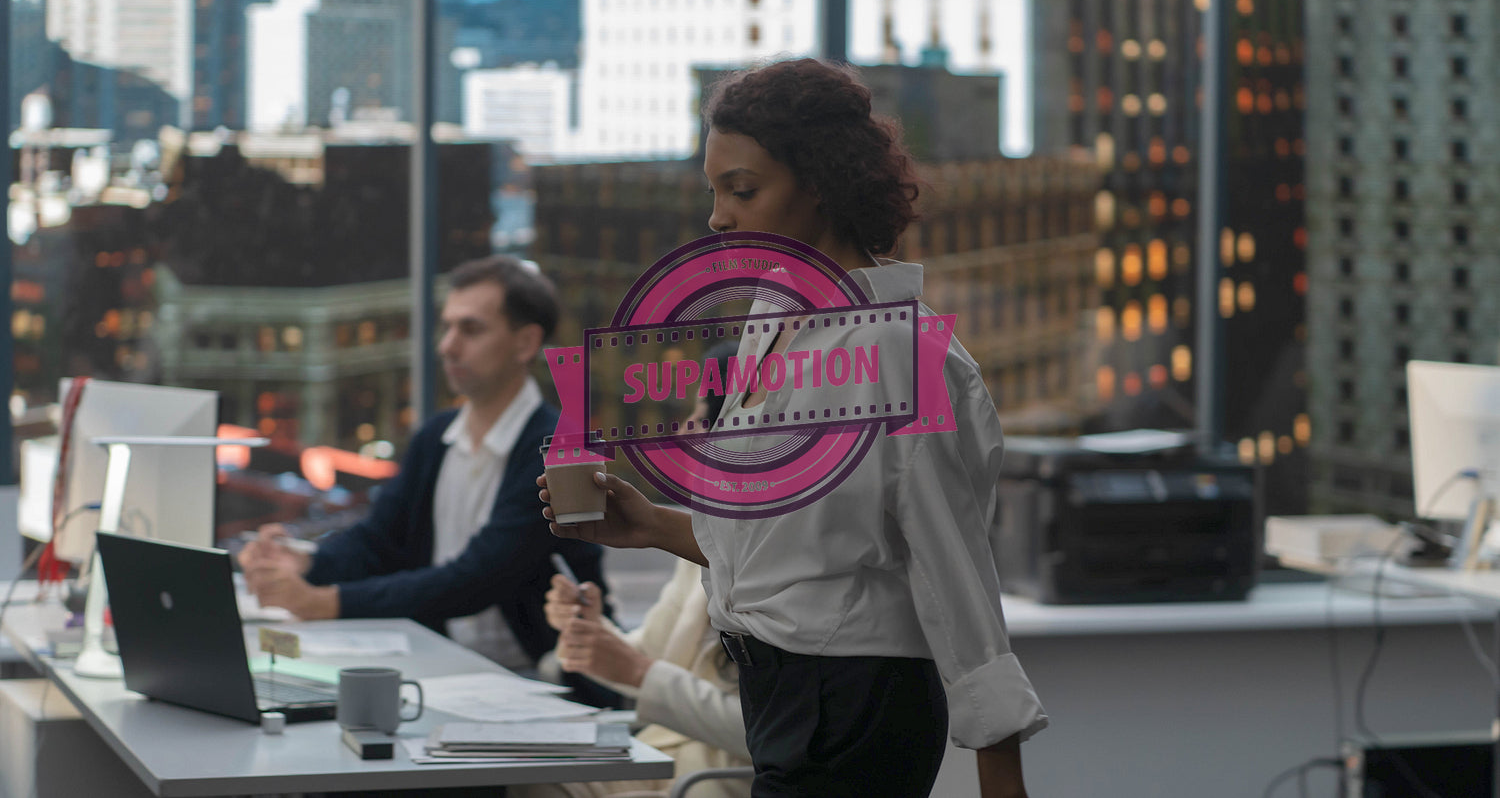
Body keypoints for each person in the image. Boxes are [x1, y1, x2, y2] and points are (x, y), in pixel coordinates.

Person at [540, 58, 1046, 798]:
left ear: (821, 182)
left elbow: (956, 574)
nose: (718, 216)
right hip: (776, 695)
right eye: (713, 190)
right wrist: (652, 525)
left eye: (741, 189)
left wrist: (1002, 780)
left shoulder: (900, 354)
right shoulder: (772, 318)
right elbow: (779, 545)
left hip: (854, 706)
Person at [239, 255, 611, 676]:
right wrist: (304, 561)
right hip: (440, 662)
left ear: (525, 343)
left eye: (470, 329)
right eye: (448, 326)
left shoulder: (571, 448)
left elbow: (475, 580)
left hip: (542, 678)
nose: (447, 345)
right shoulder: (435, 437)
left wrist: (325, 602)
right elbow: (379, 540)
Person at [516, 343, 751, 798]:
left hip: (717, 779)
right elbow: (651, 654)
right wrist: (588, 629)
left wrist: (640, 673)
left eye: (701, 412)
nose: (684, 428)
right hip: (667, 758)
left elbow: (778, 732)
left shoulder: (765, 550)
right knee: (524, 774)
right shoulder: (702, 533)